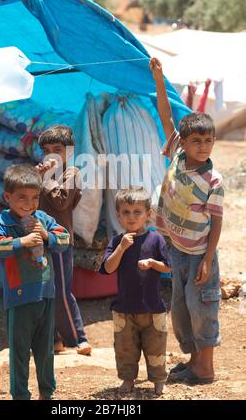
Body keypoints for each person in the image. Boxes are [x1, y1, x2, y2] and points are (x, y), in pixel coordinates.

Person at [150, 57, 224, 385]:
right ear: (184, 142)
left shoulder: (214, 180)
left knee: (202, 306)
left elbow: (217, 223)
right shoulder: (178, 156)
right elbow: (165, 115)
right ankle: (193, 362)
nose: (203, 146)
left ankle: (205, 369)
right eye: (196, 141)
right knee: (182, 308)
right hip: (178, 248)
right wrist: (158, 77)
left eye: (208, 141)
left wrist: (208, 259)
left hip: (199, 254)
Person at [0, 165, 70, 400]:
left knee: (46, 351)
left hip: (46, 293)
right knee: (20, 351)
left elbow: (64, 239)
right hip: (19, 296)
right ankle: (20, 395)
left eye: (34, 198)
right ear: (7, 197)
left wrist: (46, 236)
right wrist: (20, 242)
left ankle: (47, 393)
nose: (29, 203)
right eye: (22, 197)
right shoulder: (3, 222)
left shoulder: (42, 219)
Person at [99, 188, 171, 396]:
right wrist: (121, 248)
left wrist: (153, 263)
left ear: (148, 215)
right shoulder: (116, 241)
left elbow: (168, 267)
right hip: (124, 308)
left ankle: (158, 381)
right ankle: (128, 380)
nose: (132, 217)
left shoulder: (155, 239)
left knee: (156, 347)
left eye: (137, 211)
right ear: (119, 215)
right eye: (126, 212)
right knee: (125, 349)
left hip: (153, 307)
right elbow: (108, 268)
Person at [37, 125, 91, 356]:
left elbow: (62, 203)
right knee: (42, 290)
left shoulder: (73, 173)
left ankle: (77, 338)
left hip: (59, 240)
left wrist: (45, 179)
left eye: (56, 150)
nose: (51, 155)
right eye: (46, 150)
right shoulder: (38, 174)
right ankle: (53, 339)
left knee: (60, 290)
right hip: (38, 239)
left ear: (69, 152)